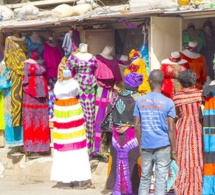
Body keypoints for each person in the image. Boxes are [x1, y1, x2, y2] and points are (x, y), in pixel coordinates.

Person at [134, 69, 176, 195]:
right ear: (162, 83)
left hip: (146, 145)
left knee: (145, 178)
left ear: (150, 82)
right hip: (163, 146)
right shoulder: (168, 102)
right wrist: (174, 151)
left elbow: (136, 125)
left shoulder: (140, 100)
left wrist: (140, 145)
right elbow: (171, 129)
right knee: (160, 180)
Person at [50, 69, 92, 189]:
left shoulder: (57, 85)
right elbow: (77, 92)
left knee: (64, 146)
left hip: (62, 115)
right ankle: (79, 178)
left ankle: (66, 178)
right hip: (72, 114)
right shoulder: (74, 84)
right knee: (77, 146)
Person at [106, 72, 143, 195]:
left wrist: (118, 124)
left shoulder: (115, 97)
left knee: (118, 163)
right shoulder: (139, 99)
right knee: (132, 164)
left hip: (117, 135)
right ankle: (132, 191)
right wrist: (130, 125)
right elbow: (143, 119)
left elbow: (108, 115)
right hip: (133, 135)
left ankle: (118, 191)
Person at [173, 70, 203, 195]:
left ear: (181, 82)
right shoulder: (200, 95)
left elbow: (175, 115)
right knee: (197, 155)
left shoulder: (177, 97)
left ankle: (183, 185)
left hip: (183, 128)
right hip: (198, 126)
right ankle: (199, 184)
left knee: (184, 156)